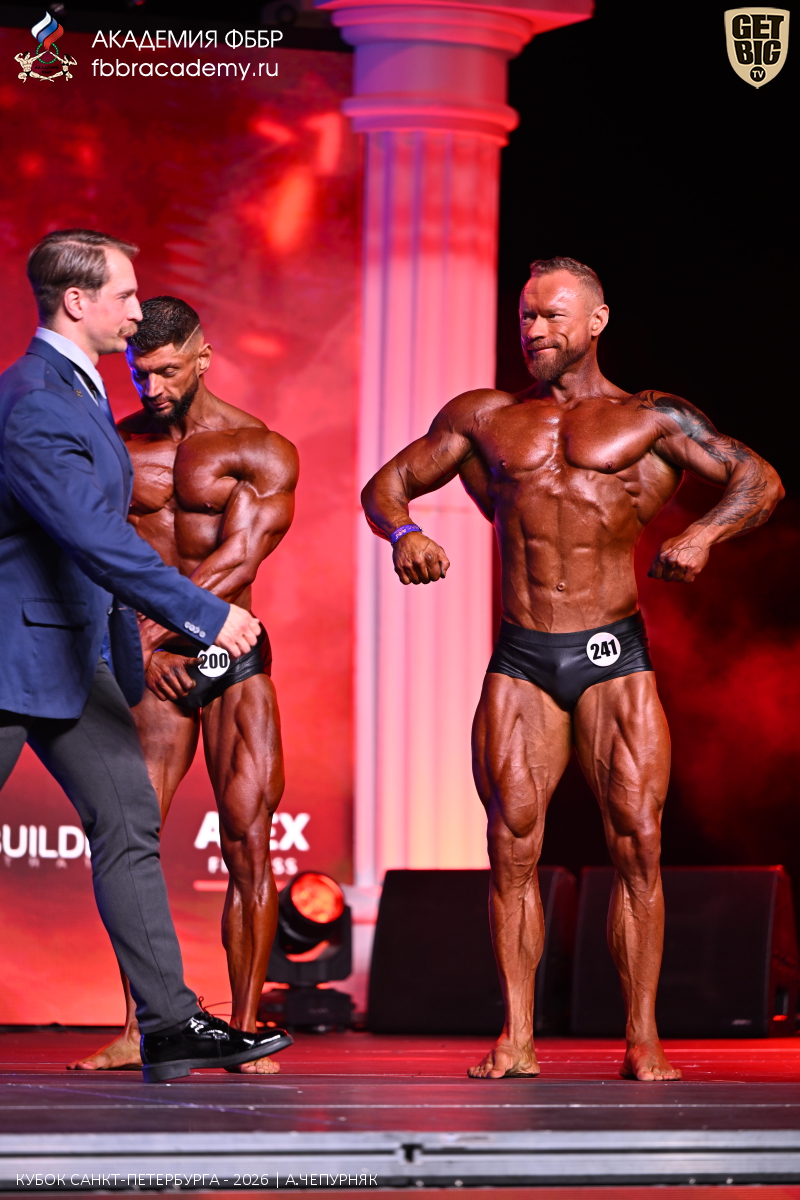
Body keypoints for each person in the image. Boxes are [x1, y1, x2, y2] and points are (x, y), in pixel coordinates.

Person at [361, 256, 783, 1082]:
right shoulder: (485, 417)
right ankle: (517, 1037)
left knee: (638, 844)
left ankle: (642, 1038)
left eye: (553, 315)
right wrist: (404, 532)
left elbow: (758, 479)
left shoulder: (651, 417)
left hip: (611, 651)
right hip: (523, 656)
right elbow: (387, 486)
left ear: (596, 321)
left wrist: (701, 535)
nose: (535, 330)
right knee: (510, 845)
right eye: (527, 316)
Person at [0, 230, 291, 1082]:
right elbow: (92, 536)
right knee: (131, 820)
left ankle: (167, 1024)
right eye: (125, 295)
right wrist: (203, 613)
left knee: (128, 821)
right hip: (13, 654)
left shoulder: (76, 389)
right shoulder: (36, 399)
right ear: (77, 302)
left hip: (68, 653)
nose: (137, 310)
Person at [69, 296, 298, 1074]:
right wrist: (138, 646)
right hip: (149, 661)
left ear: (202, 358)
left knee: (248, 838)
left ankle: (243, 1029)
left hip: (231, 655)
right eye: (141, 372)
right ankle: (141, 1028)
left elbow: (239, 558)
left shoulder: (258, 448)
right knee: (130, 838)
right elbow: (92, 550)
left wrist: (156, 630)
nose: (153, 387)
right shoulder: (115, 447)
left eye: (167, 371)